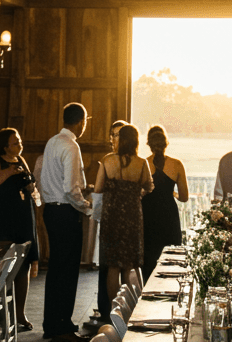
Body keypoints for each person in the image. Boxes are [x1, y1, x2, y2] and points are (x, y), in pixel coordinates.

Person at [39, 102, 92, 342]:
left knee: (56, 270)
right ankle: (63, 328)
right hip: (66, 213)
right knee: (68, 271)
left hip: (51, 210)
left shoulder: (52, 142)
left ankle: (52, 323)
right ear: (81, 122)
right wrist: (86, 207)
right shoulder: (71, 146)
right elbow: (71, 189)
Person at [95, 122, 153, 305]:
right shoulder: (141, 163)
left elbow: (98, 188)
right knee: (128, 267)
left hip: (111, 216)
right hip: (131, 217)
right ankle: (129, 310)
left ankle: (115, 312)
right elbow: (149, 186)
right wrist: (137, 193)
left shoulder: (107, 160)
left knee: (112, 266)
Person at [0, 127, 40, 332]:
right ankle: (3, 313)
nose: (19, 145)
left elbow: (30, 184)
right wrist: (10, 171)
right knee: (6, 263)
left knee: (24, 264)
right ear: (4, 146)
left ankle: (20, 313)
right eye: (15, 143)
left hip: (24, 215)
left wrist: (30, 187)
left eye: (19, 141)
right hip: (6, 217)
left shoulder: (21, 159)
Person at [141, 125, 187, 280]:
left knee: (149, 260)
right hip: (169, 216)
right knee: (172, 260)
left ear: (149, 143)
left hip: (148, 216)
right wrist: (171, 192)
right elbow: (184, 197)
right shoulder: (177, 164)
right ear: (166, 143)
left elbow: (138, 193)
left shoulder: (143, 163)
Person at [93, 119, 126, 326]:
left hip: (128, 219)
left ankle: (125, 309)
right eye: (114, 134)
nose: (116, 139)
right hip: (110, 216)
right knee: (107, 265)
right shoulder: (107, 160)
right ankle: (107, 311)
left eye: (121, 135)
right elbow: (98, 192)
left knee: (127, 266)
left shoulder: (138, 161)